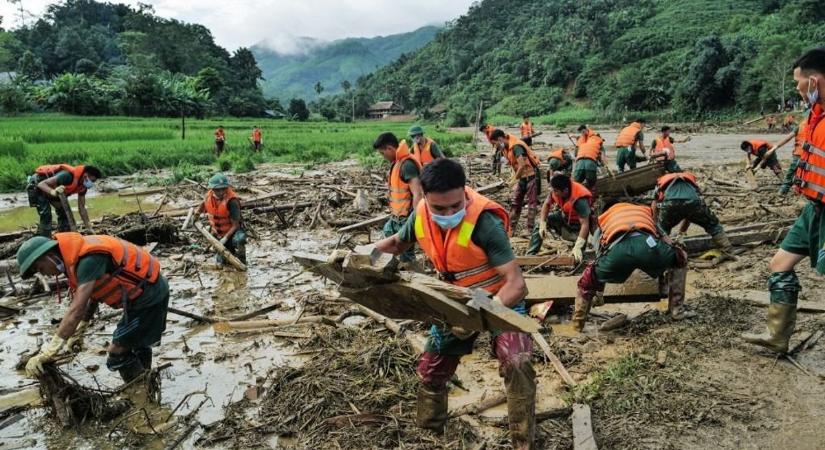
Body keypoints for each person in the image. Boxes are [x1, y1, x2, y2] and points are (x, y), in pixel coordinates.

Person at [375, 158, 535, 449]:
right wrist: (364, 255)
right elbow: (398, 243)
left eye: (455, 205)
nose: (449, 213)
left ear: (465, 192)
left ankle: (523, 442)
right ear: (424, 197)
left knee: (518, 362)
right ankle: (428, 435)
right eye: (440, 208)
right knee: (430, 370)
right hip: (453, 299)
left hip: (496, 297)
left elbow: (517, 284)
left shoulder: (485, 222)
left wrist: (479, 312)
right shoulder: (421, 213)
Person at [742, 47, 825, 354]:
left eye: (798, 83)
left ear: (814, 82)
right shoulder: (813, 119)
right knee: (779, 264)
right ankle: (778, 335)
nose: (797, 89)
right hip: (814, 209)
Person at [17, 232, 168, 382]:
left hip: (149, 298)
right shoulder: (76, 258)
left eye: (41, 268)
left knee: (117, 353)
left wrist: (51, 349)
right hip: (141, 295)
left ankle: (140, 390)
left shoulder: (88, 260)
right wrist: (83, 326)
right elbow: (95, 293)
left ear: (49, 255)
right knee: (135, 343)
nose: (46, 274)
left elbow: (76, 310)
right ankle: (147, 381)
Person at [574, 201, 690, 331]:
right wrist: (669, 262)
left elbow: (599, 253)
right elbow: (666, 240)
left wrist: (599, 289)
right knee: (680, 258)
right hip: (648, 246)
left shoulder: (604, 218)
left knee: (587, 280)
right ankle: (676, 309)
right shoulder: (643, 212)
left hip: (618, 253)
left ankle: (577, 325)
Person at [651, 172, 734, 254]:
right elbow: (689, 215)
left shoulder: (662, 180)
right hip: (693, 202)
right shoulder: (689, 178)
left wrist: (655, 223)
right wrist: (681, 234)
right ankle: (727, 248)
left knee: (663, 229)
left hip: (670, 204)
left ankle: (662, 253)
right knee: (713, 224)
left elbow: (654, 203)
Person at [373, 132, 423, 263]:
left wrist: (416, 220)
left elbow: (418, 193)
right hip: (396, 216)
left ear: (389, 148)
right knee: (387, 231)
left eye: (382, 153)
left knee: (407, 253)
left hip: (406, 217)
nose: (383, 157)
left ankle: (414, 275)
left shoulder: (407, 165)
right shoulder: (397, 162)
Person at [491, 129, 542, 236]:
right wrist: (514, 178)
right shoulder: (506, 148)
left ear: (500, 139)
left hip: (531, 176)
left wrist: (514, 180)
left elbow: (522, 165)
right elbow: (514, 165)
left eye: (495, 144)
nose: (496, 147)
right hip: (522, 178)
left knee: (531, 203)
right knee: (516, 202)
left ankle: (530, 229)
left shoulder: (516, 147)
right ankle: (511, 228)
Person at [27, 164, 102, 236]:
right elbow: (41, 184)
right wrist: (53, 192)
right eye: (92, 181)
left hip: (55, 190)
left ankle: (63, 236)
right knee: (46, 215)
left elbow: (82, 208)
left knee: (65, 215)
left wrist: (89, 227)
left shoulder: (83, 187)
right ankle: (44, 239)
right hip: (38, 186)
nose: (91, 184)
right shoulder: (67, 176)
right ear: (85, 176)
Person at [527, 174, 592, 257]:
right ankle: (531, 254)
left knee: (577, 256)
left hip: (578, 227)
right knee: (539, 223)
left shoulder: (579, 199)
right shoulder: (556, 191)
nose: (554, 193)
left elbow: (585, 224)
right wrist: (542, 224)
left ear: (565, 190)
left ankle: (577, 248)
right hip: (564, 218)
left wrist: (579, 245)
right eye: (553, 190)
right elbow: (546, 205)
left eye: (556, 191)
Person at [191, 174, 246, 265]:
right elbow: (203, 203)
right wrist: (197, 213)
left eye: (223, 189)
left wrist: (225, 239)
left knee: (239, 240)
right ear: (212, 189)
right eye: (217, 190)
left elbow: (235, 225)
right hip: (218, 232)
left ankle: (242, 260)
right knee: (222, 263)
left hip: (232, 231)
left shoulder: (232, 201)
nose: (221, 192)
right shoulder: (209, 196)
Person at [759, 117, 809, 195]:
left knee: (792, 174)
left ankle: (784, 191)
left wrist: (774, 148)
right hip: (809, 155)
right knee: (799, 174)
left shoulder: (802, 125)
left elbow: (787, 138)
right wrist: (773, 149)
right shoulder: (813, 125)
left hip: (801, 154)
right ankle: (786, 191)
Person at [574, 125, 611, 190]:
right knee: (591, 185)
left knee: (576, 183)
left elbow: (575, 154)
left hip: (580, 163)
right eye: (582, 132)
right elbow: (602, 156)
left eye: (583, 132)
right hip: (589, 163)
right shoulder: (596, 139)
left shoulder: (581, 140)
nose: (583, 133)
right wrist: (605, 166)